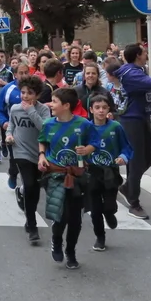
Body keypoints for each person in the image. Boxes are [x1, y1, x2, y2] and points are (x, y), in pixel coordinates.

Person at [37, 87, 98, 269]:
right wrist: (42, 156)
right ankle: (56, 241)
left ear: (66, 105)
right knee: (60, 214)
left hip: (77, 176)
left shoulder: (84, 124)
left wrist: (86, 150)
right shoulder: (48, 124)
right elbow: (42, 141)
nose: (50, 105)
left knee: (75, 218)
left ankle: (71, 251)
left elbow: (95, 142)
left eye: (54, 102)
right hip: (55, 174)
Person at [116, 44, 151, 220]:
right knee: (137, 161)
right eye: (145, 52)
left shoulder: (137, 70)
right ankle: (134, 202)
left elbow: (139, 97)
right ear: (138, 55)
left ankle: (127, 188)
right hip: (132, 121)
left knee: (147, 159)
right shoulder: (130, 73)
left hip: (142, 117)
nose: (147, 54)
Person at [5, 75, 51, 244]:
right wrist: (9, 135)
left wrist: (31, 111)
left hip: (38, 152)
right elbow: (11, 125)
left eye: (30, 93)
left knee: (35, 189)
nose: (25, 96)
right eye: (23, 92)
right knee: (30, 184)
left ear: (37, 95)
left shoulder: (43, 110)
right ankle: (32, 225)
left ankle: (25, 202)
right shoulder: (15, 108)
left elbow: (44, 129)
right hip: (20, 151)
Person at [85, 94, 132, 251]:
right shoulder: (86, 128)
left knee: (109, 205)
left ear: (109, 110)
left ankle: (110, 213)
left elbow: (126, 146)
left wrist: (123, 157)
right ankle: (100, 237)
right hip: (92, 172)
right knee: (95, 210)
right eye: (97, 107)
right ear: (91, 110)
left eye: (104, 108)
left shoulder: (115, 127)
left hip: (110, 172)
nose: (101, 111)